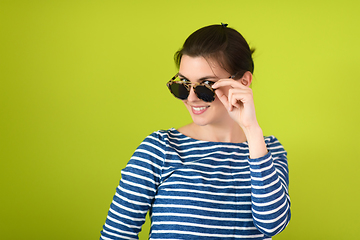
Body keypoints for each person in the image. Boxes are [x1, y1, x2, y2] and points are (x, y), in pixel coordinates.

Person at [100, 23, 291, 240]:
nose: (191, 98)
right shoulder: (160, 148)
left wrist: (251, 130)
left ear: (243, 82)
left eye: (206, 85)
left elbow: (273, 224)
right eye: (183, 84)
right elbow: (116, 235)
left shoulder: (268, 151)